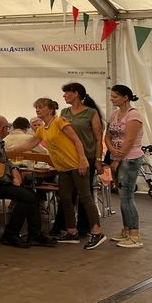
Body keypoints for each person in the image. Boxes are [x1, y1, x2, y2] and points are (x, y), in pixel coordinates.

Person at [7, 98, 105, 249]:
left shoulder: (60, 122)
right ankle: (72, 232)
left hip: (75, 164)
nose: (37, 110)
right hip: (63, 167)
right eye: (36, 107)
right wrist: (11, 150)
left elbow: (77, 140)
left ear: (50, 109)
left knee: (85, 197)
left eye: (40, 107)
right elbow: (30, 143)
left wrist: (83, 159)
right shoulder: (42, 129)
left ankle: (97, 232)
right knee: (65, 198)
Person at [0, 115, 54, 247]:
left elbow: (5, 162)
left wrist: (14, 169)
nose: (8, 130)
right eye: (7, 128)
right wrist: (11, 180)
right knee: (28, 196)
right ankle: (12, 234)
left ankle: (34, 234)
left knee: (30, 195)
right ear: (4, 128)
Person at [58, 82, 104, 236]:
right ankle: (69, 228)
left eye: (67, 93)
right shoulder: (64, 112)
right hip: (68, 158)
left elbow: (98, 138)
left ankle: (88, 228)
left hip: (86, 158)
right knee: (66, 195)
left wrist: (98, 159)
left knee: (85, 194)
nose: (64, 96)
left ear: (76, 93)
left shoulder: (91, 113)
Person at [105, 85, 145, 248]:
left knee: (127, 197)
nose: (111, 99)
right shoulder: (114, 114)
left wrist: (117, 158)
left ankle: (134, 235)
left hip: (130, 159)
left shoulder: (133, 115)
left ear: (125, 97)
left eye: (115, 97)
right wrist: (112, 150)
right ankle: (127, 230)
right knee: (122, 197)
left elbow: (129, 141)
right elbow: (107, 136)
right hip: (117, 157)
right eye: (112, 96)